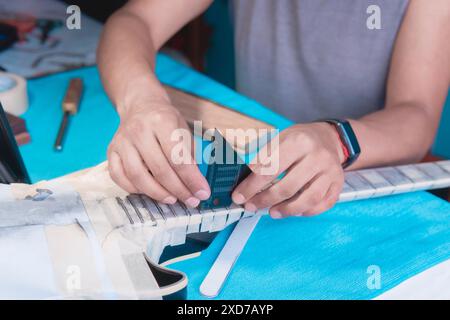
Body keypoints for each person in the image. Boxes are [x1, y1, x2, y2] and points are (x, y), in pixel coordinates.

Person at [97, 0, 450, 218]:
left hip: (355, 174)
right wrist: (141, 101)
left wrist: (337, 140)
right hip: (249, 155)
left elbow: (415, 113)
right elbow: (134, 21)